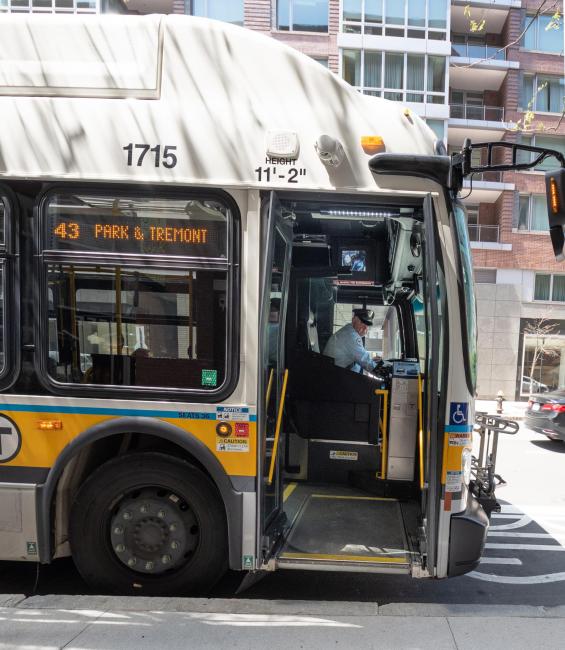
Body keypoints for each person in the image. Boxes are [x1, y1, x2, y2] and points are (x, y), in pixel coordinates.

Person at [323, 308, 379, 374]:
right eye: (362, 323)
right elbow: (366, 362)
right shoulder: (351, 336)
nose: (365, 328)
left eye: (367, 325)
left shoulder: (349, 330)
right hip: (332, 376)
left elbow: (359, 359)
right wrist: (382, 372)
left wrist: (371, 361)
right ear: (354, 319)